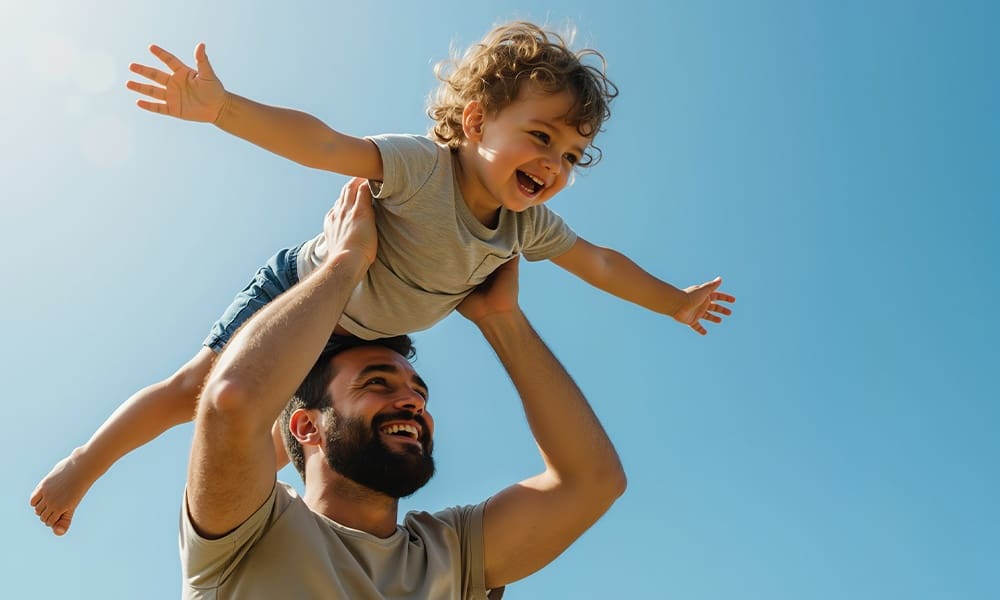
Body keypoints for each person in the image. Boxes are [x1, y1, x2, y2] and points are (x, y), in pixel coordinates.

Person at [31, 22, 734, 535]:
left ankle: (265, 527)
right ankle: (84, 463)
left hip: (371, 331)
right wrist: (225, 110)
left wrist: (672, 302)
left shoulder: (527, 228)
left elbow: (600, 261)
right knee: (200, 392)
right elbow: (326, 143)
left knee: (302, 440)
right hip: (304, 291)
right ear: (476, 119)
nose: (554, 164)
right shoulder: (422, 166)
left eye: (572, 156)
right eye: (541, 137)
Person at [180, 178, 626, 598]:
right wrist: (345, 265)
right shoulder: (249, 529)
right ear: (306, 426)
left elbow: (593, 481)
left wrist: (500, 319)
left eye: (420, 393)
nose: (413, 402)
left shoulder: (451, 552)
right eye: (376, 382)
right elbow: (232, 401)